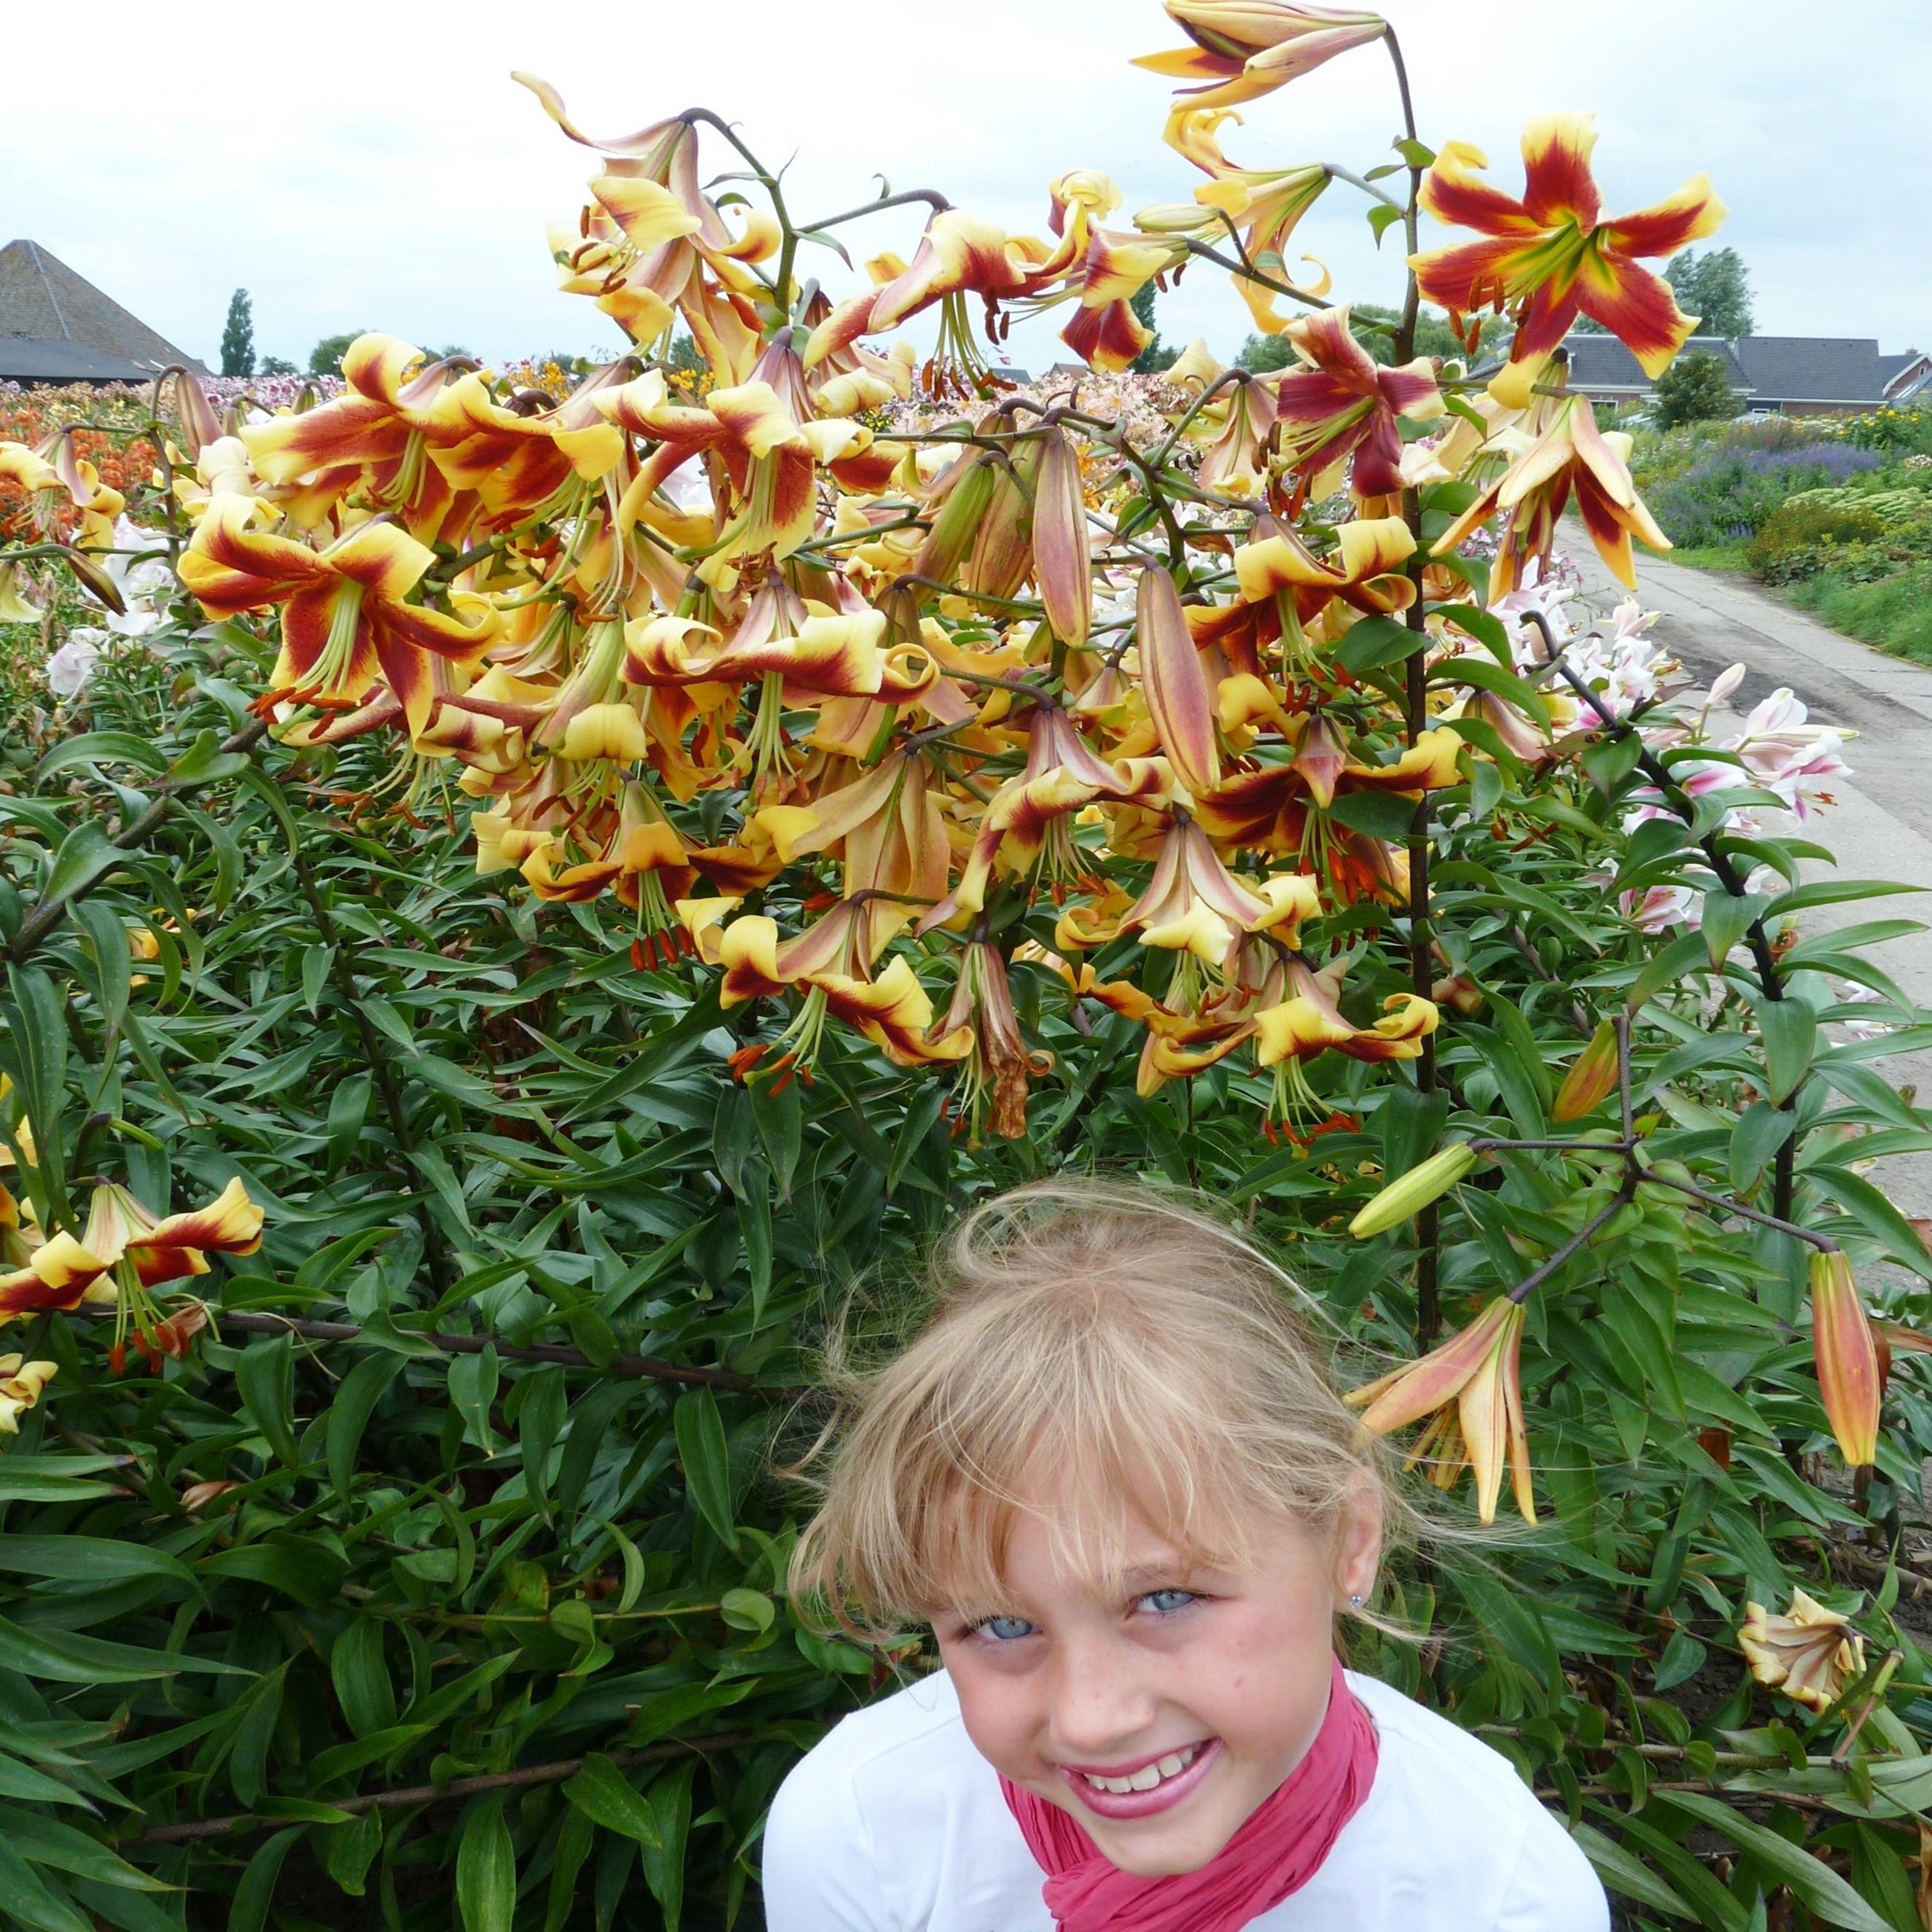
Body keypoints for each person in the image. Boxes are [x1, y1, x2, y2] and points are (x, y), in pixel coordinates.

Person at [762, 1180, 1609, 1932]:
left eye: (1165, 1599)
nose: (1091, 1719)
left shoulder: (1502, 1899)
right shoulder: (859, 1835)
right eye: (1001, 1623)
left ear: (1349, 1541)